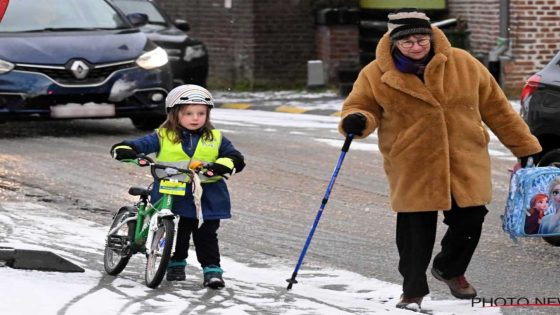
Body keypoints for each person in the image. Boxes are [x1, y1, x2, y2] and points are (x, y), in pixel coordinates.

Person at [338, 8, 542, 310]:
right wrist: (357, 119)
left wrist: (525, 146)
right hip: (412, 161)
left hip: (464, 157)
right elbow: (360, 106)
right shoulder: (375, 74)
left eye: (422, 39)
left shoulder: (463, 64)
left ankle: (449, 268)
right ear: (394, 42)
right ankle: (412, 291)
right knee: (415, 231)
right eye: (408, 42)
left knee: (471, 218)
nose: (417, 46)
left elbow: (497, 108)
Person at [110, 84, 245, 289]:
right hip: (170, 190)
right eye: (188, 113)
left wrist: (220, 166)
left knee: (206, 233)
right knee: (179, 229)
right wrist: (126, 151)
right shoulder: (163, 136)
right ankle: (175, 262)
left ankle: (212, 270)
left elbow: (234, 157)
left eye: (201, 113)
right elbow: (136, 145)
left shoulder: (215, 138)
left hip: (206, 194)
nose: (195, 118)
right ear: (174, 114)